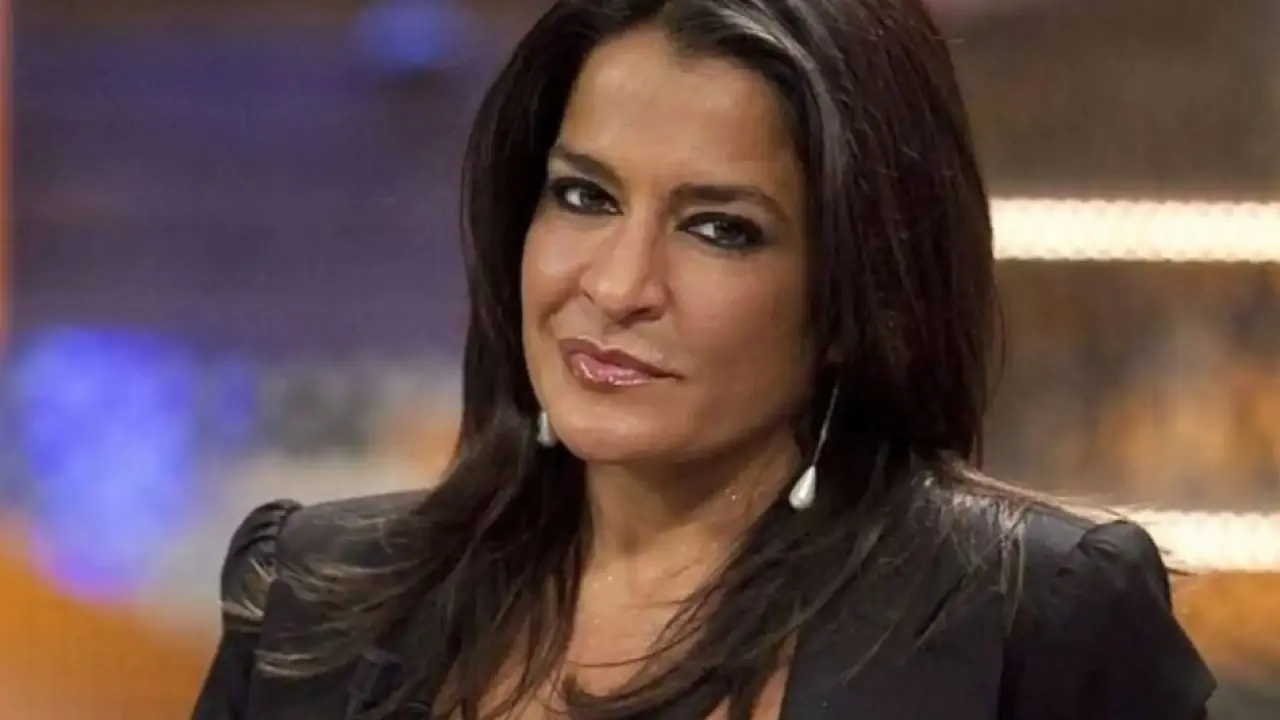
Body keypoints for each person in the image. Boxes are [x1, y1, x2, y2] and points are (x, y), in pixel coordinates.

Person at [193, 0, 1216, 718]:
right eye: (584, 196)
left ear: (857, 286)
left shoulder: (1027, 624)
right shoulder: (309, 601)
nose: (618, 285)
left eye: (719, 229)